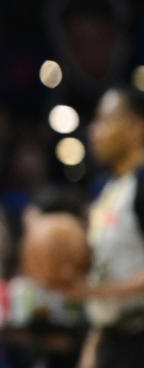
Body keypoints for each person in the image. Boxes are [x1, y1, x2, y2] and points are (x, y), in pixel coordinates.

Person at [68, 86, 144, 368]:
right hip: (115, 340)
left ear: (137, 128)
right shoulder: (112, 190)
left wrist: (92, 292)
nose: (94, 131)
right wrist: (95, 342)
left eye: (105, 121)